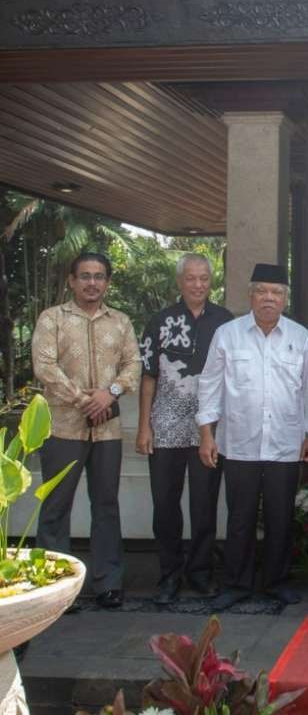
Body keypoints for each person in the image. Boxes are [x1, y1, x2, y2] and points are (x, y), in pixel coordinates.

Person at [198, 264, 308, 609]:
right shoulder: (228, 334)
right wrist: (207, 434)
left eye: (276, 292)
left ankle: (276, 582)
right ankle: (236, 583)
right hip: (239, 442)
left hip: (286, 441)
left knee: (281, 517)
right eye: (262, 291)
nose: (269, 298)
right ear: (250, 295)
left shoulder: (300, 337)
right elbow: (209, 385)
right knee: (240, 517)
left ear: (285, 298)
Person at [32, 252, 141, 609]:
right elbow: (44, 366)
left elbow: (133, 364)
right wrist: (85, 400)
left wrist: (108, 394)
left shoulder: (120, 322)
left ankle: (108, 583)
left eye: (99, 276)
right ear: (72, 280)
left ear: (107, 282)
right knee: (56, 507)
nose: (92, 282)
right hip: (63, 427)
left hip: (106, 431)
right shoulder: (53, 319)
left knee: (106, 505)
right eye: (85, 276)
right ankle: (54, 590)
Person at [136, 253, 233, 604]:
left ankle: (201, 572)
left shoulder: (225, 322)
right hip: (164, 426)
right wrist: (144, 427)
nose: (197, 285)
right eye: (191, 278)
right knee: (165, 503)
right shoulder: (160, 321)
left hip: (210, 427)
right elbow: (148, 377)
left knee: (204, 503)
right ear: (180, 282)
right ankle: (169, 574)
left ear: (211, 281)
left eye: (204, 278)